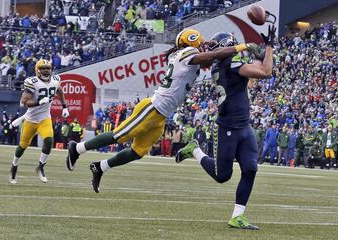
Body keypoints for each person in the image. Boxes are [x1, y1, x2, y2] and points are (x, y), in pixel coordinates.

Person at [66, 28, 260, 193]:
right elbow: (212, 56)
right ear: (192, 43)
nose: (203, 47)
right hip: (152, 108)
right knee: (120, 135)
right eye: (200, 43)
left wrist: (212, 44)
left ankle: (100, 167)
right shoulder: (186, 54)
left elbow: (209, 59)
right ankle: (77, 148)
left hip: (161, 116)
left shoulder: (187, 54)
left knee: (137, 151)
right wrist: (242, 46)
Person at [175, 25, 276, 230]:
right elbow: (266, 72)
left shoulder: (223, 65)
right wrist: (269, 48)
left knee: (250, 168)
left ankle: (237, 217)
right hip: (227, 127)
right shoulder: (231, 64)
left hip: (243, 126)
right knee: (223, 176)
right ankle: (194, 149)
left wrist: (259, 53)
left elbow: (251, 79)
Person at [9, 59, 69, 184]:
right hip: (31, 119)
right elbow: (24, 102)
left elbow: (60, 91)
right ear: (37, 69)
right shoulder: (32, 82)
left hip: (44, 118)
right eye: (43, 68)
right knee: (23, 145)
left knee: (49, 139)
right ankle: (14, 166)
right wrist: (37, 102)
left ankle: (40, 166)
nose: (46, 70)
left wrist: (64, 107)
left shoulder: (55, 80)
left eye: (48, 68)